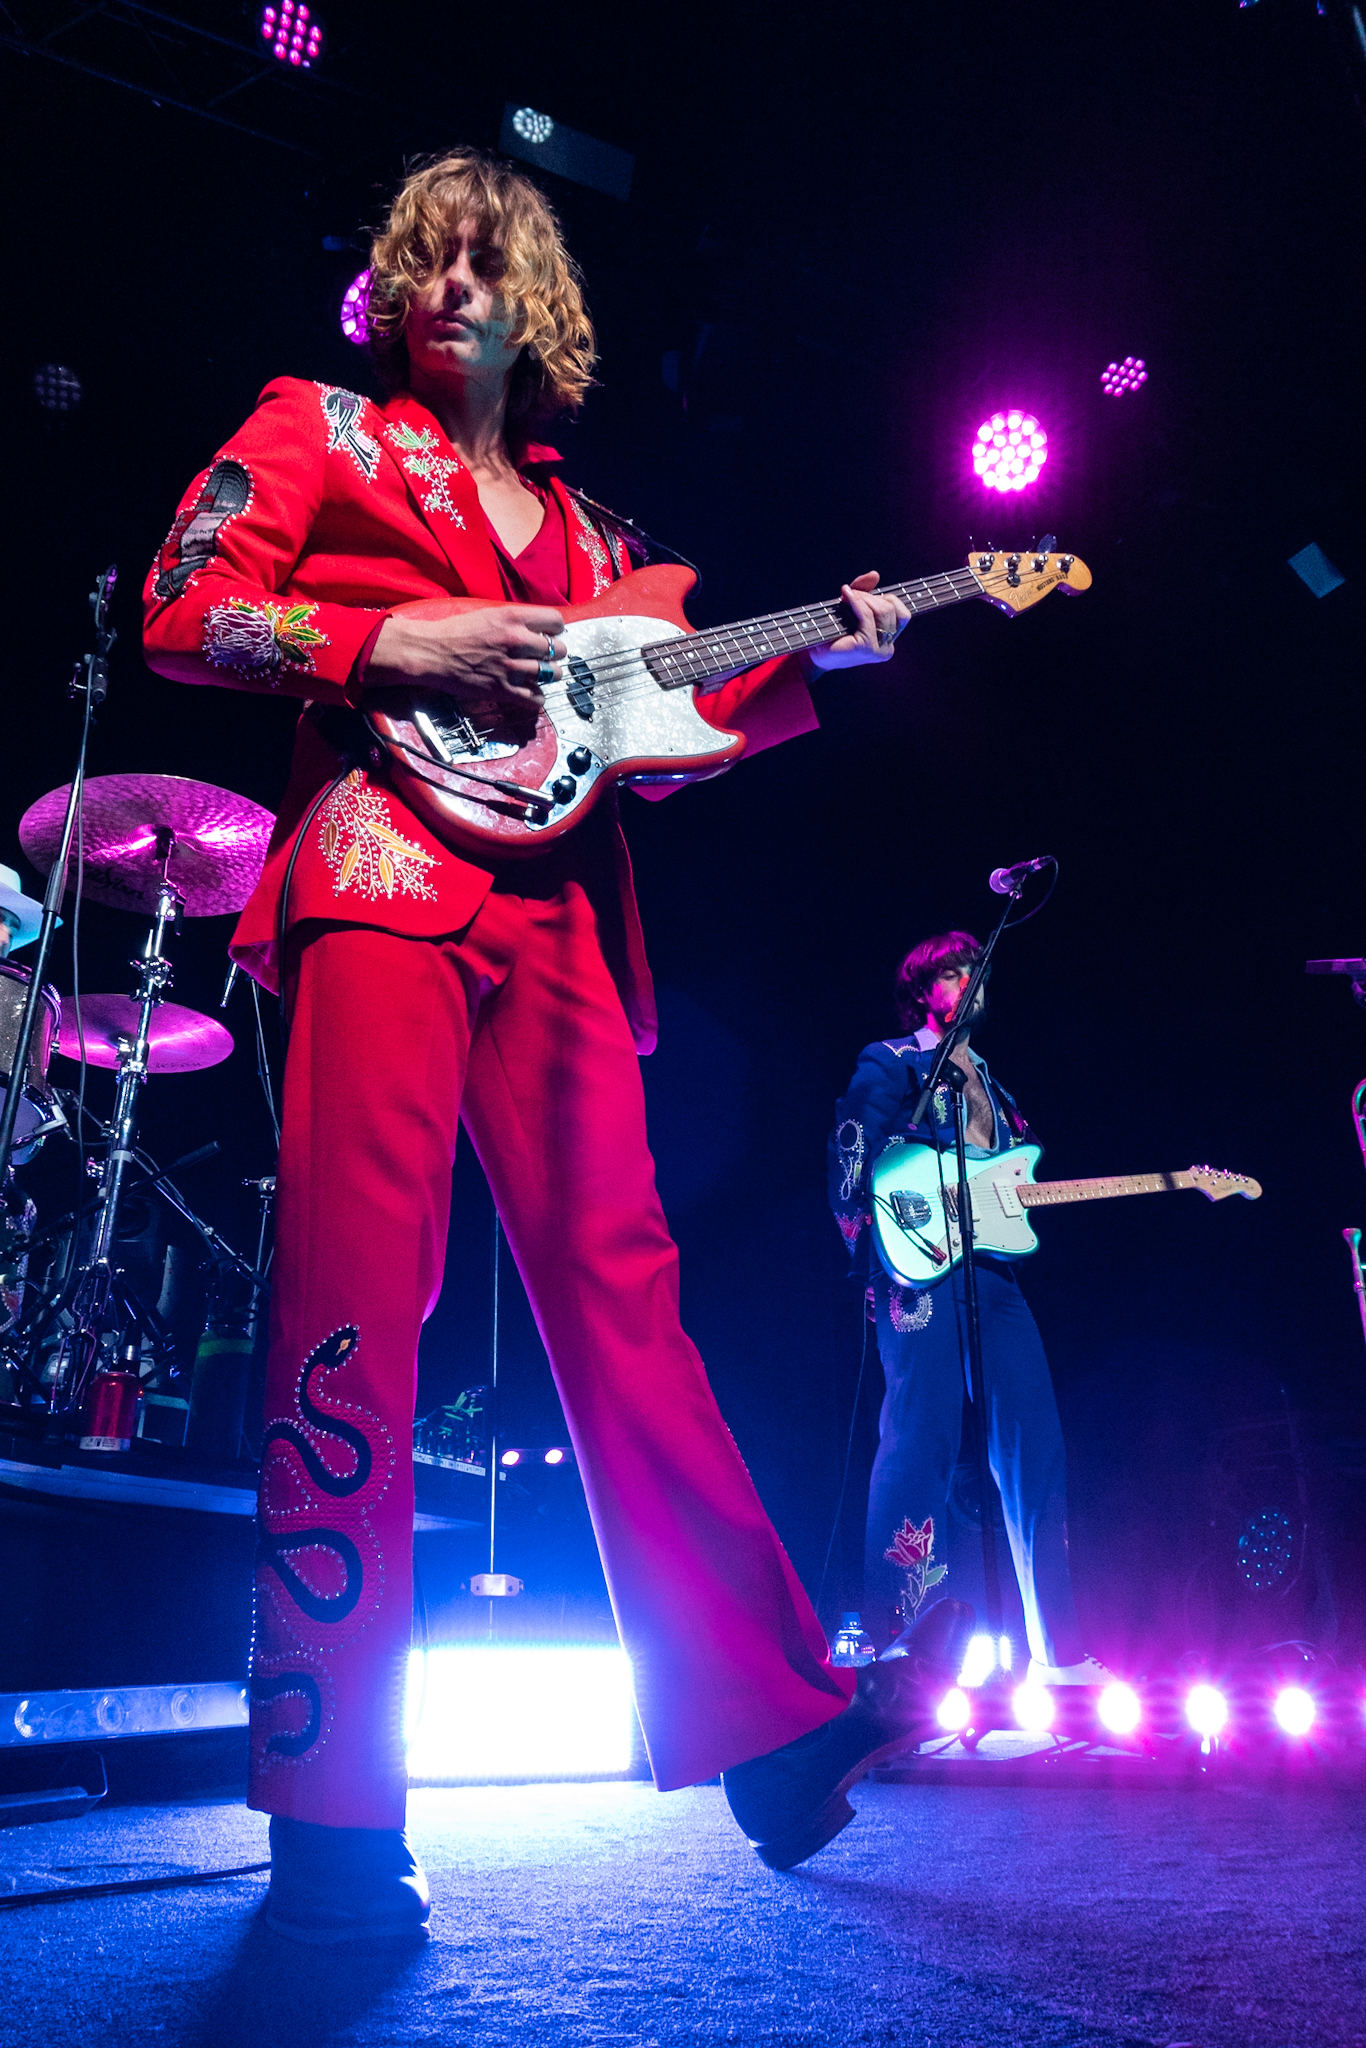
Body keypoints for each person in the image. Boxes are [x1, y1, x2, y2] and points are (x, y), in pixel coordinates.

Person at [143, 149, 970, 1942]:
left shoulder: (600, 542)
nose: (454, 286)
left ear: (539, 307)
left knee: (631, 1306)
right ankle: (329, 1813)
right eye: (426, 260)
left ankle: (769, 1731)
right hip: (380, 869)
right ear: (391, 292)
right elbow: (181, 609)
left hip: (565, 919)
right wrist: (389, 636)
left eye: (487, 262)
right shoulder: (318, 430)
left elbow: (656, 739)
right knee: (354, 1309)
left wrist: (832, 653)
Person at [829, 931, 1111, 1683]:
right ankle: (903, 1645)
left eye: (975, 972)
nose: (971, 981)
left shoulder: (994, 1087)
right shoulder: (893, 1061)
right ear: (923, 991)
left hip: (994, 1278)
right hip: (917, 1273)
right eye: (955, 972)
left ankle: (1059, 1652)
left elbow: (1007, 1185)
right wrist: (873, 1255)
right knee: (919, 1440)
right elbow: (853, 1156)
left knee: (1036, 1449)